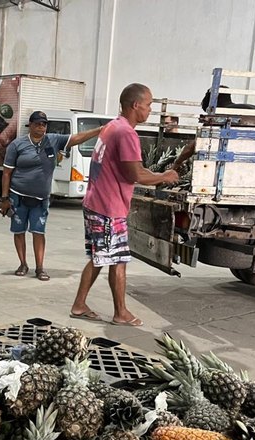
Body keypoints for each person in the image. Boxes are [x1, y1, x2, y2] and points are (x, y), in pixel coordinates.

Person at [70, 84, 179, 326]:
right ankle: (120, 313)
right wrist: (164, 177)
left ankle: (79, 304)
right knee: (117, 260)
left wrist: (155, 172)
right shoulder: (127, 133)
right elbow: (135, 175)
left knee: (101, 257)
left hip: (97, 203)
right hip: (108, 208)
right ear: (135, 105)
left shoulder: (113, 126)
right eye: (149, 104)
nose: (150, 109)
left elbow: (135, 169)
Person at [0, 111, 104, 281]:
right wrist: (4, 199)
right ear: (30, 125)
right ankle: (23, 264)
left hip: (41, 198)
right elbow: (6, 173)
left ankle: (40, 268)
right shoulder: (17, 145)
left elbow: (77, 138)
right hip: (18, 196)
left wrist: (99, 130)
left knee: (38, 231)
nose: (41, 127)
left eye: (44, 124)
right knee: (19, 231)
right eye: (38, 124)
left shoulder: (53, 140)